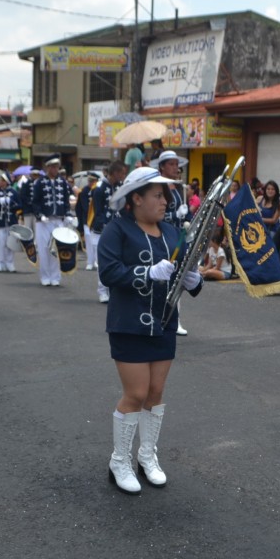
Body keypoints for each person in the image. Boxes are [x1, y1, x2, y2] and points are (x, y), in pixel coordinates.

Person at [98, 167, 203, 494]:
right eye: (157, 195)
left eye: (165, 195)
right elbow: (109, 272)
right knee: (137, 393)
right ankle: (119, 461)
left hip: (165, 322)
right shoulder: (117, 230)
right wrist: (147, 272)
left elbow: (185, 269)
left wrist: (194, 280)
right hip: (128, 324)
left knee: (156, 392)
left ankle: (147, 455)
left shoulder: (172, 232)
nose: (164, 201)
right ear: (136, 198)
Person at [156, 150, 190, 335]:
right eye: (171, 164)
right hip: (162, 237)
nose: (175, 168)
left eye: (177, 164)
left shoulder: (179, 188)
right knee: (163, 277)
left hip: (178, 237)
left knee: (178, 278)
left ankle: (174, 319)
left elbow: (184, 214)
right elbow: (155, 213)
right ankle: (158, 315)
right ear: (162, 166)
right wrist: (173, 215)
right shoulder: (158, 187)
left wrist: (187, 216)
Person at [30, 157, 77, 287]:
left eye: (57, 167)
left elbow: (67, 201)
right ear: (47, 167)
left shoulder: (62, 182)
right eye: (52, 167)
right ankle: (45, 276)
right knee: (44, 249)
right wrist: (40, 215)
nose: (55, 169)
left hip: (58, 221)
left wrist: (68, 214)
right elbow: (35, 201)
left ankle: (56, 276)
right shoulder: (40, 182)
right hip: (44, 221)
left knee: (56, 249)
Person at [94, 160, 127, 304]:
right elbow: (98, 210)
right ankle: (102, 290)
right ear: (115, 173)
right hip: (103, 229)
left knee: (118, 259)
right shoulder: (100, 187)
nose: (124, 176)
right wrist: (103, 225)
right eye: (123, 173)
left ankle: (113, 289)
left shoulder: (121, 187)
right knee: (103, 261)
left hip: (118, 228)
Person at [0, 171, 21, 273]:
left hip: (11, 221)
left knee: (10, 243)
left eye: (1, 180)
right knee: (0, 244)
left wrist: (10, 203)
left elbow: (20, 206)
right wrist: (0, 204)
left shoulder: (14, 192)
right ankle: (0, 263)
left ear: (6, 182)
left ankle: (10, 263)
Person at [75, 171, 100, 271]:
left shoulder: (99, 190)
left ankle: (97, 261)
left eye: (93, 181)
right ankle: (90, 261)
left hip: (96, 220)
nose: (91, 183)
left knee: (97, 243)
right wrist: (80, 222)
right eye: (89, 181)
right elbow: (80, 208)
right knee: (89, 242)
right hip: (87, 220)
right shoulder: (84, 191)